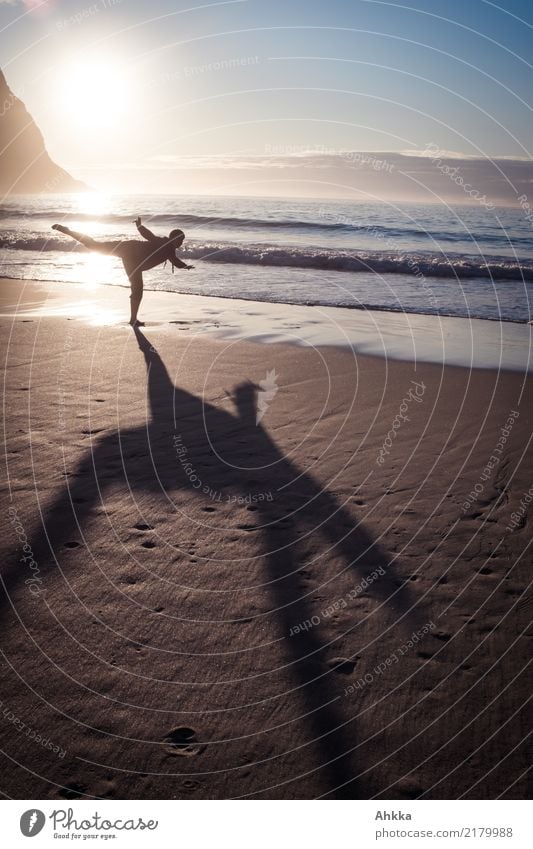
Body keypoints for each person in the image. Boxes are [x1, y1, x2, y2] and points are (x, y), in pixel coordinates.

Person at [51, 217, 194, 326]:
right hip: (128, 250)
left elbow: (175, 261)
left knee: (137, 288)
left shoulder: (170, 250)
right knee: (94, 245)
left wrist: (185, 266)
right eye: (181, 240)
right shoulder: (164, 243)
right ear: (175, 239)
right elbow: (149, 236)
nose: (182, 243)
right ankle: (67, 230)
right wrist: (140, 226)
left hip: (133, 260)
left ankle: (133, 320)